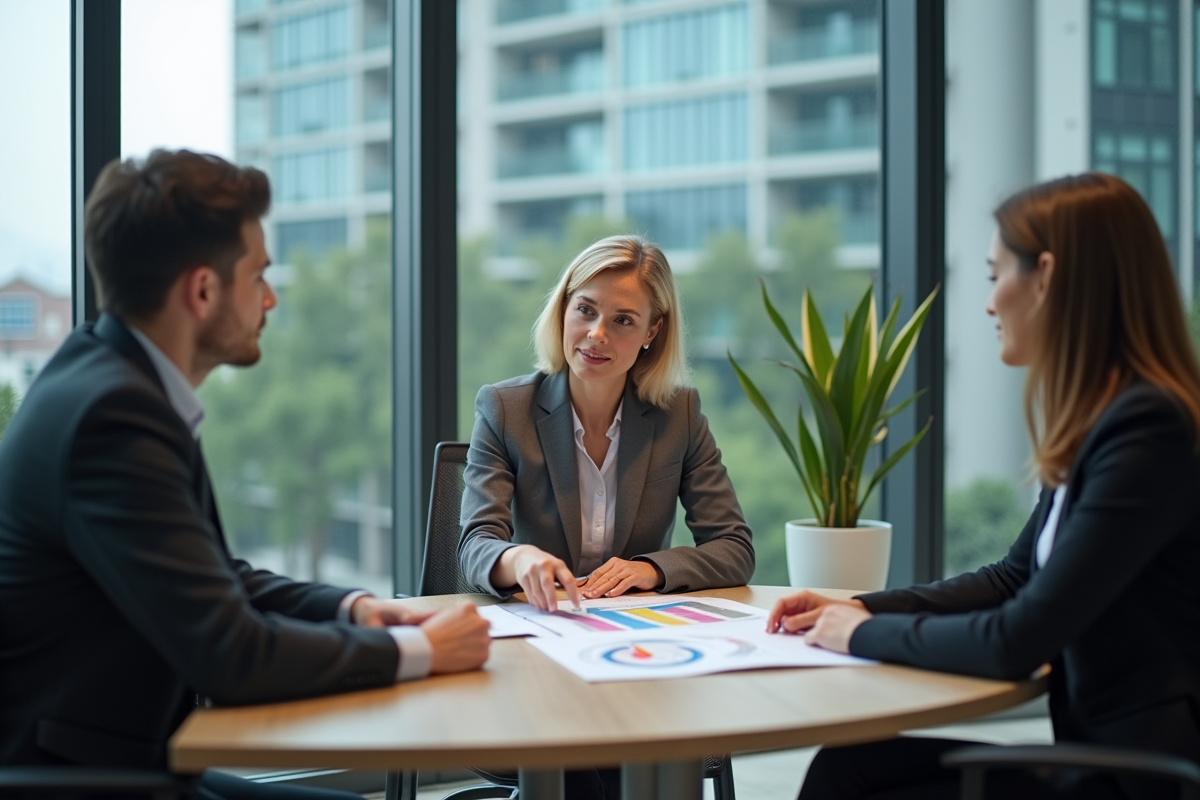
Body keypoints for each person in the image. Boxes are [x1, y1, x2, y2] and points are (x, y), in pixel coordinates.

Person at [0, 150, 491, 799]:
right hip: (84, 782)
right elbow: (232, 655)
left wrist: (358, 609)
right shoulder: (113, 417)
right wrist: (422, 654)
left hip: (118, 760)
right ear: (202, 291)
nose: (270, 297)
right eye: (257, 275)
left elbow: (216, 580)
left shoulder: (105, 374)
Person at [767, 173, 1200, 800]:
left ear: (1047, 276)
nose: (991, 302)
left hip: (1134, 779)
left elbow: (1016, 640)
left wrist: (855, 635)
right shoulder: (1105, 420)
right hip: (1094, 755)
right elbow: (1013, 578)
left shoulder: (1148, 430)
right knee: (848, 765)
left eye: (997, 275)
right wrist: (864, 607)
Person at [458, 235, 755, 799]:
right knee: (584, 769)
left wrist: (651, 568)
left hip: (635, 655)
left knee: (656, 757)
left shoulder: (679, 416)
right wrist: (518, 558)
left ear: (652, 333)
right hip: (538, 661)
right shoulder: (505, 409)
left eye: (622, 320)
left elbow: (734, 546)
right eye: (585, 310)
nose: (596, 335)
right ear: (563, 309)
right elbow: (475, 543)